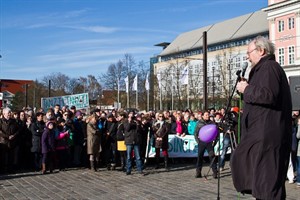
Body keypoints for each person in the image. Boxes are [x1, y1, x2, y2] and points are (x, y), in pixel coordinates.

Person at [232, 36, 292, 199]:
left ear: (261, 51)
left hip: (267, 138)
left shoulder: (269, 68)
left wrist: (247, 89)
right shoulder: (263, 70)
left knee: (268, 187)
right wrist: (248, 89)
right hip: (262, 137)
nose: (247, 56)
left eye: (248, 52)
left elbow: (268, 96)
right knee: (262, 185)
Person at [194, 111, 218, 179]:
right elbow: (195, 133)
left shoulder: (212, 123)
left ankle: (215, 172)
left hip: (210, 143)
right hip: (201, 142)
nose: (207, 116)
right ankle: (198, 172)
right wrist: (198, 141)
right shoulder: (199, 123)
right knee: (200, 157)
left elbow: (216, 134)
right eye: (206, 115)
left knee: (212, 156)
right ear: (203, 116)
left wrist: (215, 142)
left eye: (208, 115)